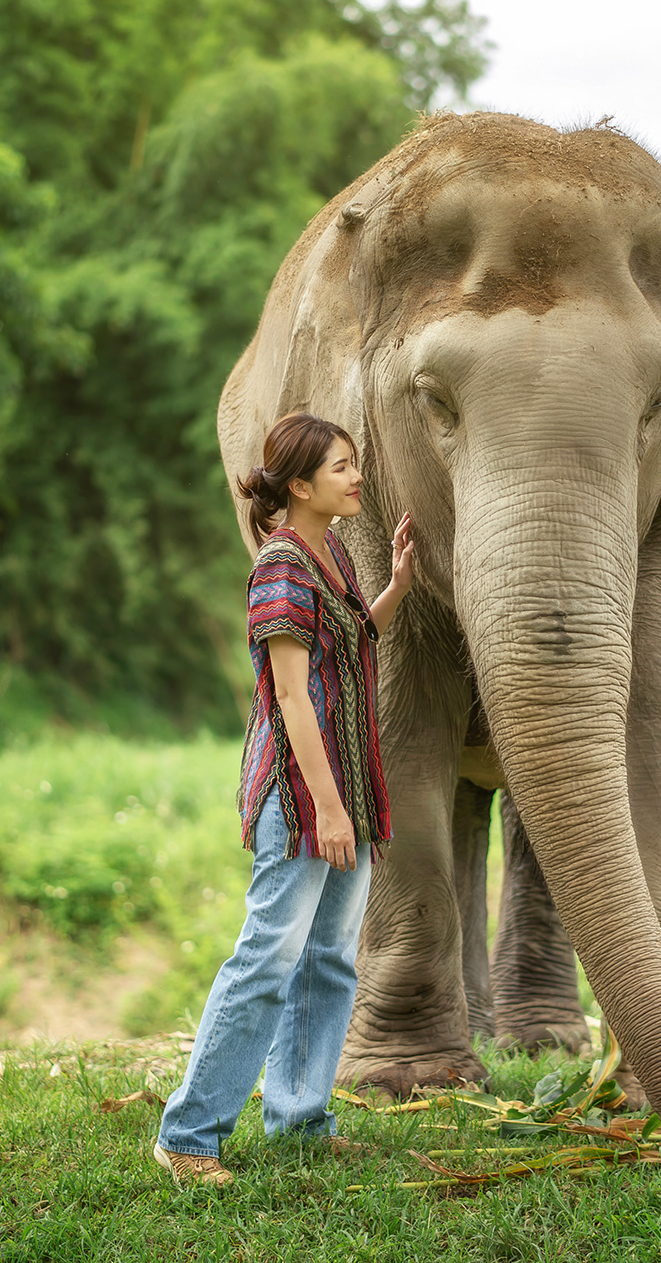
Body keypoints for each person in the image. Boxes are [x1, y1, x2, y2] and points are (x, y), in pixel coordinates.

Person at [152, 412, 415, 1187]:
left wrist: (396, 585)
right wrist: (329, 809)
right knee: (269, 956)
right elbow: (294, 698)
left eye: (354, 462)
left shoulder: (328, 551)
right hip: (304, 796)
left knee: (328, 960)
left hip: (350, 790)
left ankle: (300, 1118)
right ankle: (188, 1134)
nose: (357, 475)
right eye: (341, 467)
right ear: (299, 485)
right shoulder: (280, 565)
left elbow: (354, 641)